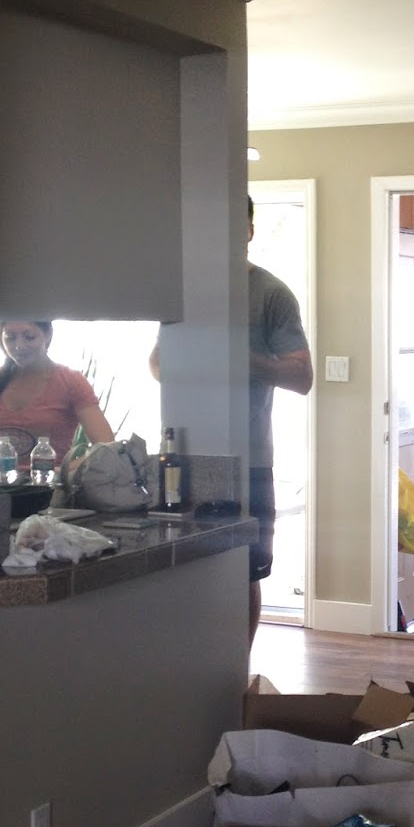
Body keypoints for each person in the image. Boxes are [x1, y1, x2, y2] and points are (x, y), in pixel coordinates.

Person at [148, 198, 312, 647]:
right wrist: (189, 363)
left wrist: (244, 360)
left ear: (249, 231)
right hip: (183, 459)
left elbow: (302, 377)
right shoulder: (181, 292)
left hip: (248, 461)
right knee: (186, 572)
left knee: (245, 572)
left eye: (232, 227)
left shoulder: (271, 293)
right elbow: (158, 365)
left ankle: (239, 671)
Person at [0, 319, 115, 473]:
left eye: (29, 337)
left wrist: (61, 472)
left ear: (48, 335)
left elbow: (107, 448)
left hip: (53, 486)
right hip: (3, 485)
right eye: (10, 338)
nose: (19, 346)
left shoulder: (71, 381)